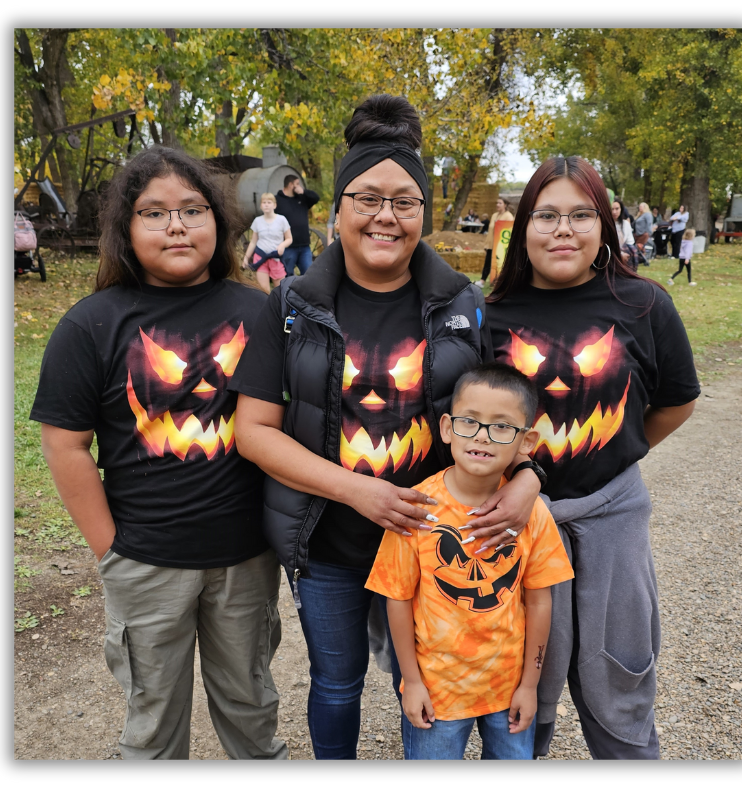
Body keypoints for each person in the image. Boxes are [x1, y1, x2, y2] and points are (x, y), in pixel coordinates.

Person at [229, 94, 545, 760]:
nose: (385, 216)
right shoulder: (290, 304)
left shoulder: (466, 306)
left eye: (405, 201)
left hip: (441, 544)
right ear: (338, 208)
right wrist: (354, 490)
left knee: (431, 679)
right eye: (367, 198)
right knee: (338, 685)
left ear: (424, 214)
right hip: (330, 540)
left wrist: (529, 477)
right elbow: (254, 430)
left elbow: (508, 418)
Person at [29, 147, 287, 760]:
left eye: (193, 210)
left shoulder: (259, 312)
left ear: (219, 224)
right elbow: (65, 444)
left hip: (245, 558)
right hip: (145, 562)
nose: (176, 225)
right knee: (152, 723)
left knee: (251, 708)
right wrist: (110, 551)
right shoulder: (91, 325)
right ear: (126, 230)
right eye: (154, 213)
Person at [486, 155, 700, 760]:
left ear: (605, 225)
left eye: (581, 215)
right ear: (522, 228)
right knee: (523, 681)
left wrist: (619, 455)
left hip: (612, 518)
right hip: (520, 522)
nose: (562, 230)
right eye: (546, 215)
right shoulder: (492, 315)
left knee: (619, 669)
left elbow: (676, 400)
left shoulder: (644, 305)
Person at [366, 363, 574, 760]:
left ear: (526, 441)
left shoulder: (531, 514)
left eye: (502, 427)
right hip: (439, 691)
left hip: (507, 686)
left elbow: (540, 600)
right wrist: (411, 681)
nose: (482, 436)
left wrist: (530, 685)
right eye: (470, 422)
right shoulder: (417, 509)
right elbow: (397, 598)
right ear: (446, 428)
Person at [241, 192, 292, 293]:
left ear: (274, 205)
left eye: (269, 202)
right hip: (260, 257)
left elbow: (289, 239)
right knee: (264, 290)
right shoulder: (257, 221)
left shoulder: (282, 220)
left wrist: (282, 245)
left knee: (280, 290)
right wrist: (246, 258)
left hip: (275, 257)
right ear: (261, 205)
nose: (266, 204)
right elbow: (253, 242)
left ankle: (280, 308)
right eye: (264, 202)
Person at [275, 173, 319, 276]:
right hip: (288, 247)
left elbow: (316, 197)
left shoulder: (302, 198)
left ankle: (307, 292)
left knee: (309, 275)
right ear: (291, 185)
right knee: (288, 275)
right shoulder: (277, 200)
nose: (299, 186)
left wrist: (303, 192)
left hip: (304, 246)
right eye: (297, 184)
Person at [476, 197, 515, 288]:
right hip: (491, 243)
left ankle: (500, 282)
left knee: (500, 263)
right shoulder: (494, 215)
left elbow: (509, 230)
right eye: (497, 203)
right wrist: (486, 244)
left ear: (505, 205)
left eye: (500, 203)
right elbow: (490, 231)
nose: (497, 205)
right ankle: (482, 280)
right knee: (488, 262)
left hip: (501, 244)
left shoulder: (508, 216)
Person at [611, 198, 636, 269]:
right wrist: (619, 254)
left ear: (621, 209)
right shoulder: (605, 225)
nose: (614, 212)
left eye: (617, 209)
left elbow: (630, 242)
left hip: (625, 253)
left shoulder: (625, 224)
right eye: (612, 209)